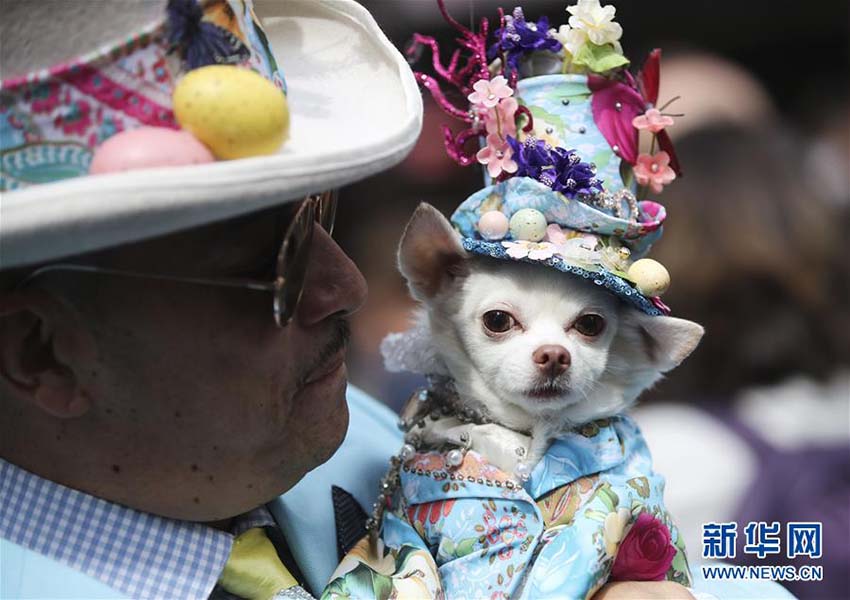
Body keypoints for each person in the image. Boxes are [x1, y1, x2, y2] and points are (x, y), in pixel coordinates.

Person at [0, 2, 776, 599]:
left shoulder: (367, 437)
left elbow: (724, 557)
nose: (347, 285)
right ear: (41, 353)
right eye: (269, 267)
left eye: (320, 217)